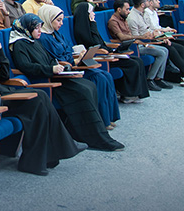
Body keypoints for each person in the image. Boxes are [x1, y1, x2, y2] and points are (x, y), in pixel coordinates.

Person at [0, 21, 87, 174]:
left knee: (39, 97)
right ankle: (42, 157)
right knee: (37, 100)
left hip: (0, 93)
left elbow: (4, 77)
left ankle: (42, 158)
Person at [8, 13, 123, 151]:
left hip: (55, 76)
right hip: (44, 81)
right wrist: (51, 69)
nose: (40, 31)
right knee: (83, 91)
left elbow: (49, 59)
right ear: (27, 28)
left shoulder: (34, 41)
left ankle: (83, 133)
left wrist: (58, 67)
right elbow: (25, 66)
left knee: (89, 85)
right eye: (36, 28)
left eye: (40, 27)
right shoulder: (19, 44)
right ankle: (95, 137)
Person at [34, 5, 122, 131]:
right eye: (58, 20)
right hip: (65, 70)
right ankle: (102, 120)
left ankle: (109, 117)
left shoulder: (56, 34)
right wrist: (74, 59)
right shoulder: (43, 38)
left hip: (73, 64)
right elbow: (55, 59)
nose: (61, 23)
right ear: (48, 19)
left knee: (106, 75)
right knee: (99, 78)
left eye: (62, 20)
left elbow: (68, 50)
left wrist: (79, 56)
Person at [72, 1, 149, 104]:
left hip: (106, 54)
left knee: (137, 60)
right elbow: (94, 44)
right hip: (99, 57)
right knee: (132, 63)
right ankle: (128, 95)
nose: (94, 14)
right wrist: (93, 24)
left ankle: (139, 93)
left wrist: (111, 50)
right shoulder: (82, 29)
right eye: (91, 12)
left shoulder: (90, 25)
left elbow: (101, 42)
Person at [126, 0, 172, 92]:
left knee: (165, 50)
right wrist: (146, 44)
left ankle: (159, 78)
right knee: (161, 52)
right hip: (139, 46)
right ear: (143, 4)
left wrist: (156, 34)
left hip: (147, 41)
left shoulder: (142, 13)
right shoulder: (133, 18)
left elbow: (148, 30)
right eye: (147, 0)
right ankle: (149, 79)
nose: (149, 2)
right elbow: (135, 38)